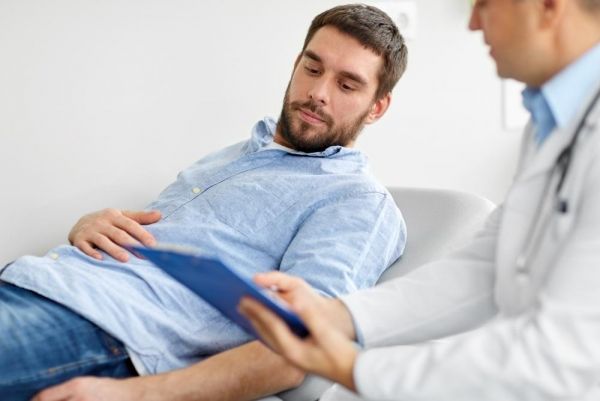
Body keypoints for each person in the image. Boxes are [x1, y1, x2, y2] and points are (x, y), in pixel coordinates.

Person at [0, 4, 409, 401]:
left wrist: (137, 395)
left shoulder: (358, 201)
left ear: (377, 106)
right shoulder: (234, 155)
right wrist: (89, 226)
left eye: (347, 85)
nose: (318, 92)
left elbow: (301, 346)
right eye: (313, 69)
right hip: (35, 279)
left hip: (103, 328)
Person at [239, 0, 600, 400]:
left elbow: (558, 357)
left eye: (485, 4)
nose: (473, 23)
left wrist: (351, 366)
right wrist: (335, 316)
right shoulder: (552, 123)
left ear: (548, 6)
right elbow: (484, 268)